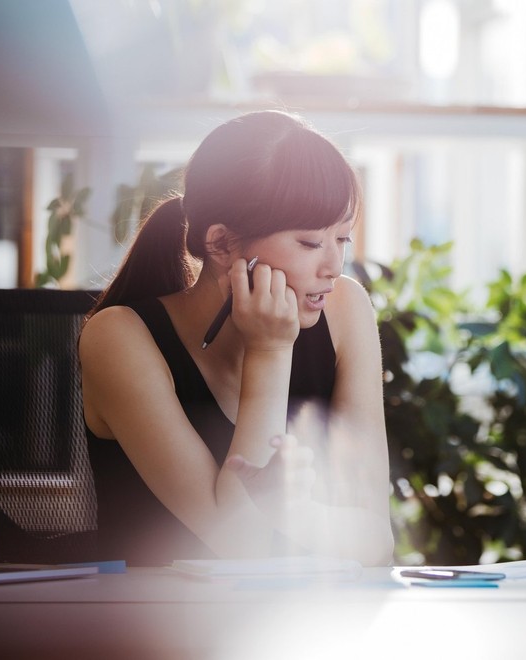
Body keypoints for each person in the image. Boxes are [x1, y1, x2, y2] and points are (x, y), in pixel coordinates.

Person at [78, 110, 394, 567]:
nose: (333, 266)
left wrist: (298, 511)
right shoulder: (118, 338)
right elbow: (241, 545)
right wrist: (269, 350)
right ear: (222, 244)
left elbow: (377, 543)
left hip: (298, 625)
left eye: (342, 239)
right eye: (309, 243)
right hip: (152, 625)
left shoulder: (344, 308)